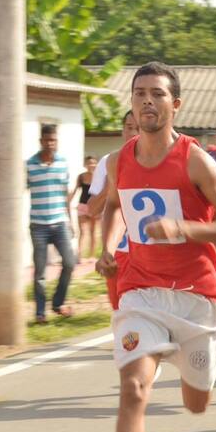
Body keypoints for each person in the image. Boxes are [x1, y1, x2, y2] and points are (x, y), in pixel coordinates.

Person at [96, 62, 216, 432]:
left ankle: (183, 355)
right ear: (131, 102)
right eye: (140, 92)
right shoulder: (117, 162)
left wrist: (182, 227)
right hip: (140, 294)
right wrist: (108, 247)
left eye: (158, 93)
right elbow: (112, 206)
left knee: (195, 405)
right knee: (133, 390)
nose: (148, 99)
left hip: (196, 299)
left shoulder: (196, 162)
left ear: (175, 104)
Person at [87, 110, 139, 310]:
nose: (133, 133)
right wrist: (112, 182)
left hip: (149, 255)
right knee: (122, 317)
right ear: (123, 130)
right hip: (118, 253)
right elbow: (92, 209)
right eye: (129, 127)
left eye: (138, 128)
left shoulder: (158, 162)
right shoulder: (109, 162)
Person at [27, 124, 76, 324]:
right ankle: (40, 313)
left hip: (60, 223)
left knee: (70, 263)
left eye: (53, 140)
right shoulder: (29, 165)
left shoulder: (63, 163)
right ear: (41, 141)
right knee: (39, 271)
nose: (50, 143)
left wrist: (70, 221)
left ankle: (57, 303)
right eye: (47, 140)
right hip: (38, 225)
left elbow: (64, 195)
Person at [68, 155, 99, 261]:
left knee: (93, 231)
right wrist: (68, 201)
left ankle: (92, 256)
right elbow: (75, 190)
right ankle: (80, 256)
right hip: (82, 206)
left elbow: (103, 192)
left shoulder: (100, 176)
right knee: (81, 231)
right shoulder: (81, 176)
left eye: (94, 163)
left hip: (94, 206)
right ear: (85, 165)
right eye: (89, 163)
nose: (91, 165)